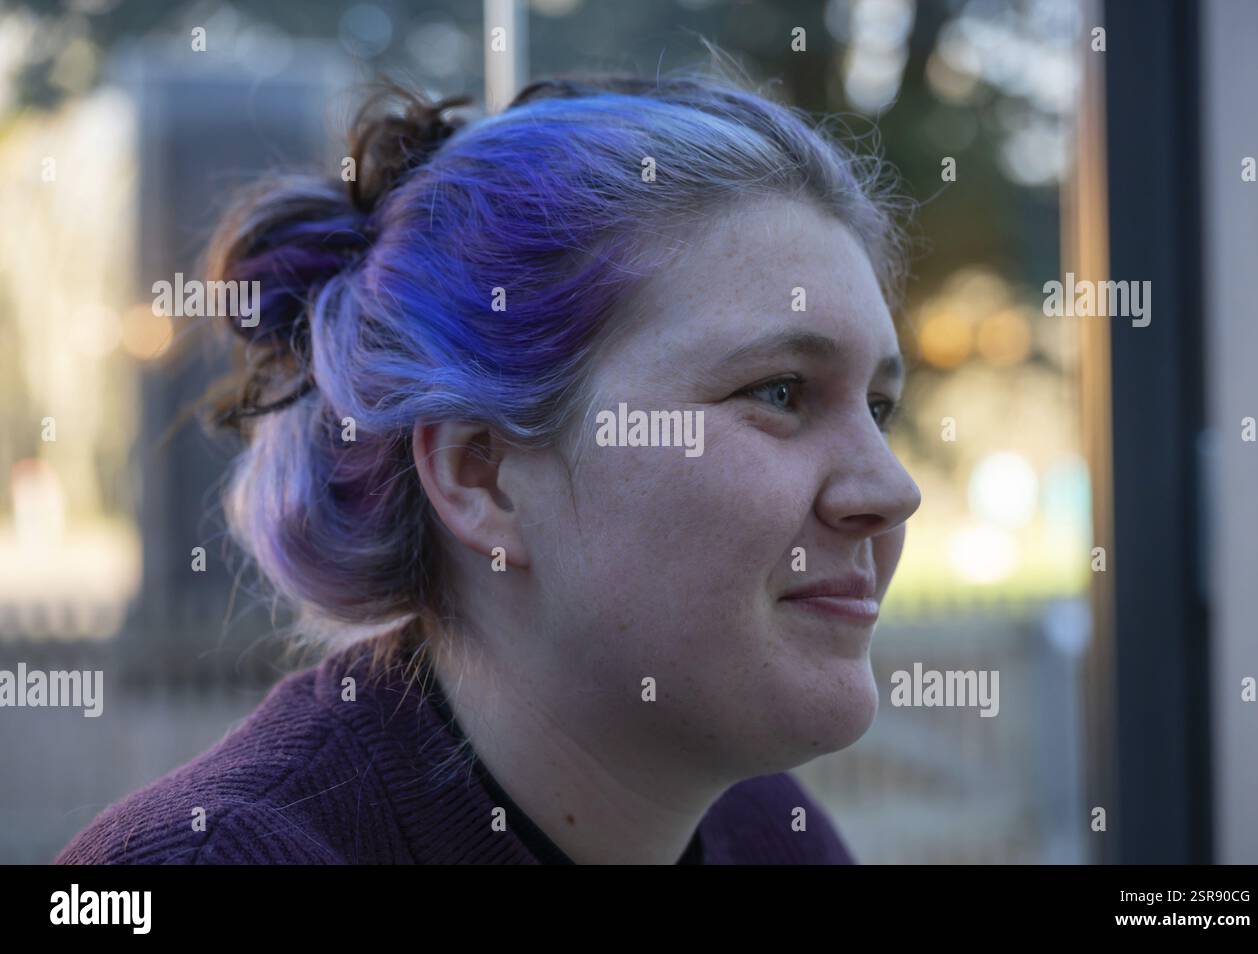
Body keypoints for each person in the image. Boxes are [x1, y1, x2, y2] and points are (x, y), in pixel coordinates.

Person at [56, 59, 921, 865]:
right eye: (778, 392)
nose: (892, 489)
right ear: (484, 477)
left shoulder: (770, 833)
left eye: (879, 409)